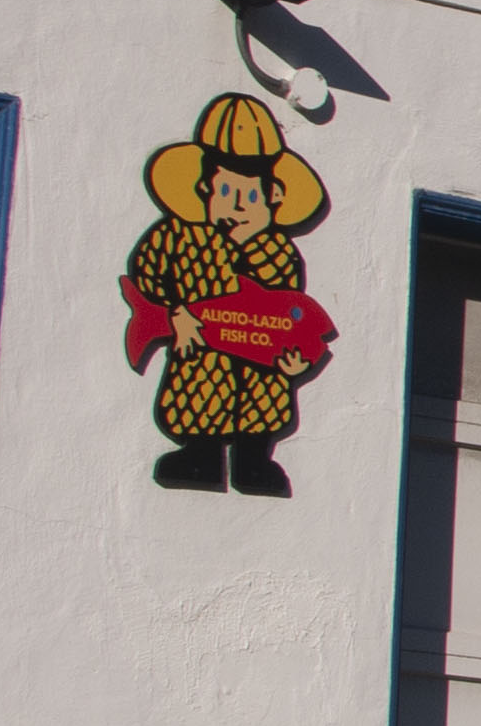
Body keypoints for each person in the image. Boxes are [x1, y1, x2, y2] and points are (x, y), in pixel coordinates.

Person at [122, 93, 336, 494]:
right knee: (200, 394)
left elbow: (287, 308)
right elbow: (150, 274)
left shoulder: (280, 252)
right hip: (201, 357)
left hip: (261, 370)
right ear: (205, 190)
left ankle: (253, 461)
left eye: (251, 197)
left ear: (274, 198)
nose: (238, 208)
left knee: (263, 404)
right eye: (227, 194)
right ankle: (200, 454)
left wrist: (295, 363)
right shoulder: (178, 237)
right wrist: (174, 314)